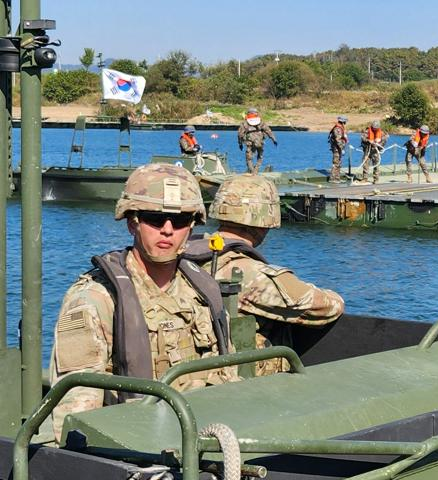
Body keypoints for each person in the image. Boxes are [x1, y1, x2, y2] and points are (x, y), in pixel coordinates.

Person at [49, 163, 237, 441]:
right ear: (132, 222)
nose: (168, 230)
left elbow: (229, 376)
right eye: (154, 219)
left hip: (207, 434)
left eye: (180, 220)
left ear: (192, 226)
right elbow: (75, 417)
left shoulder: (202, 290)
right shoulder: (96, 300)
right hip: (131, 442)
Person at [186, 174, 345, 376]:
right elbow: (327, 307)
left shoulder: (189, 252)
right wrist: (333, 296)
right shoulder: (250, 273)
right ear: (265, 220)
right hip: (244, 381)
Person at [238, 107, 278, 174]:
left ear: (248, 114)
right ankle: (256, 169)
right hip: (260, 142)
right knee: (260, 157)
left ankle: (252, 171)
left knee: (249, 158)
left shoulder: (245, 123)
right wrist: (274, 139)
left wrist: (240, 143)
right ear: (256, 114)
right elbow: (268, 131)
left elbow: (240, 134)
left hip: (250, 143)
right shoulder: (261, 122)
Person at [328, 115, 349, 183]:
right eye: (345, 121)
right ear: (343, 121)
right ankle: (332, 179)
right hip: (337, 148)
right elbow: (338, 140)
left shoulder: (340, 127)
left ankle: (337, 178)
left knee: (339, 163)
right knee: (336, 163)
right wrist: (342, 149)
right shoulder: (337, 129)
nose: (345, 123)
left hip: (339, 148)